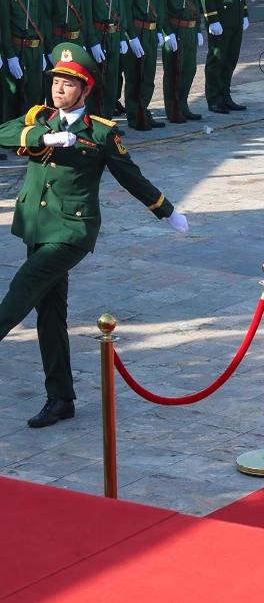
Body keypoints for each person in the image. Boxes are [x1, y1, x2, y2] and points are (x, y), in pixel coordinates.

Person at [0, 43, 189, 428]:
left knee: (23, 288)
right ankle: (61, 398)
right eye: (56, 81)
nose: (59, 89)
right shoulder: (39, 119)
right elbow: (4, 132)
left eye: (68, 84)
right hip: (37, 226)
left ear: (85, 90)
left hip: (72, 231)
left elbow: (130, 175)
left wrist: (165, 209)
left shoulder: (100, 132)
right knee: (49, 313)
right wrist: (42, 139)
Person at [197, 0, 248, 115]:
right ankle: (214, 99)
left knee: (230, 60)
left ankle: (226, 96)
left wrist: (244, 13)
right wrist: (212, 19)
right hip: (220, 20)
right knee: (217, 60)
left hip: (235, 19)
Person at [120, 0, 164, 130]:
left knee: (148, 76)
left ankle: (144, 110)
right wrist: (131, 36)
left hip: (151, 32)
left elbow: (159, 6)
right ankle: (134, 115)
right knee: (134, 76)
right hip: (136, 32)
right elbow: (125, 12)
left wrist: (160, 30)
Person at [79, 0, 126, 118]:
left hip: (114, 35)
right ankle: (95, 119)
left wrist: (122, 36)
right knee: (97, 81)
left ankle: (107, 119)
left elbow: (120, 9)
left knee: (112, 80)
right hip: (98, 36)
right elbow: (87, 16)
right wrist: (92, 42)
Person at [1, 0, 45, 124]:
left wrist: (42, 51)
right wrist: (10, 56)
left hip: (35, 50)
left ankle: (29, 133)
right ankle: (8, 135)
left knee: (34, 97)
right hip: (17, 51)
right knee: (12, 98)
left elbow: (40, 21)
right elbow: (4, 28)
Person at [159, 0, 203, 122]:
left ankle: (183, 105)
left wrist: (198, 29)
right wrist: (165, 32)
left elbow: (196, 4)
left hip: (190, 30)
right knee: (173, 72)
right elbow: (161, 8)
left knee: (189, 70)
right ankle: (172, 108)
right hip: (175, 30)